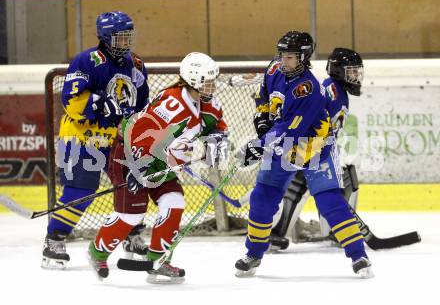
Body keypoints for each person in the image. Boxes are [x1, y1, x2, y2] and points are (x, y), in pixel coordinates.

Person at [235, 31, 373, 278]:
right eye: (282, 55)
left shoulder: (308, 89)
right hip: (282, 144)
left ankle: (358, 255)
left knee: (329, 201)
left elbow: (289, 129)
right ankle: (253, 254)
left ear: (303, 57)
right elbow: (263, 97)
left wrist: (260, 144)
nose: (283, 61)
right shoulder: (274, 69)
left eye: (289, 57)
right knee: (261, 199)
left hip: (315, 147)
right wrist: (262, 123)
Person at [87, 52, 228, 283]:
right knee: (131, 216)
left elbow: (217, 127)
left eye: (214, 81)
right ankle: (97, 253)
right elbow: (140, 133)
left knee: (174, 203)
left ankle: (159, 261)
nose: (212, 86)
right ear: (192, 80)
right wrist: (137, 168)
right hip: (130, 155)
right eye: (207, 82)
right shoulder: (173, 104)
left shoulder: (209, 103)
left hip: (162, 161)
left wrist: (217, 143)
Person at [41, 11, 150, 269]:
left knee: (131, 186)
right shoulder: (87, 60)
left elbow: (142, 103)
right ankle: (54, 239)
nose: (126, 43)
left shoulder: (135, 63)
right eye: (120, 38)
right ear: (105, 37)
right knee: (80, 192)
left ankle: (131, 235)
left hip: (116, 139)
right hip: (81, 137)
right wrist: (99, 103)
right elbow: (71, 100)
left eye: (128, 37)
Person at [268, 47, 364, 249]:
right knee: (303, 183)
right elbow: (310, 114)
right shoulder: (330, 89)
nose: (356, 77)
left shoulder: (340, 92)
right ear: (339, 71)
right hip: (306, 146)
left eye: (357, 72)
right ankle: (274, 232)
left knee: (341, 177)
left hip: (316, 148)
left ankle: (333, 230)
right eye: (352, 72)